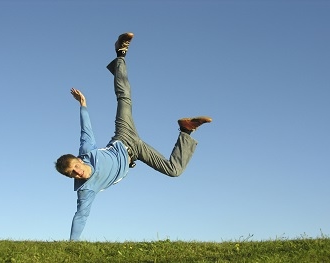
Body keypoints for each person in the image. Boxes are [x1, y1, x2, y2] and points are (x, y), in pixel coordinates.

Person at [55, 32, 212, 241]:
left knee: (124, 98)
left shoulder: (87, 155)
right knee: (174, 171)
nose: (78, 172)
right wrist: (71, 245)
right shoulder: (86, 191)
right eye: (73, 174)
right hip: (136, 153)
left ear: (77, 160)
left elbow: (86, 132)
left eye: (75, 167)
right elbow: (81, 216)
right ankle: (186, 130)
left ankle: (120, 55)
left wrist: (83, 105)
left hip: (123, 136)